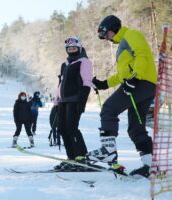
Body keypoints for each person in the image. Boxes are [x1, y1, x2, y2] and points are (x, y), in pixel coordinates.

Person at [82, 15, 157, 178]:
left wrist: (135, 78)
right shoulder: (123, 44)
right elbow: (123, 74)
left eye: (106, 35)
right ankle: (150, 166)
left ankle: (108, 150)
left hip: (141, 82)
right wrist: (104, 84)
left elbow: (142, 56)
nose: (107, 39)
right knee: (136, 128)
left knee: (109, 109)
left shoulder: (131, 35)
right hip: (144, 85)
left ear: (112, 28)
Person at [53, 36, 93, 171]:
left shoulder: (84, 62)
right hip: (63, 101)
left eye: (74, 48)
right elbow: (61, 83)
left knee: (72, 128)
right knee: (62, 129)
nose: (72, 50)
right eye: (69, 49)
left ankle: (81, 157)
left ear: (80, 48)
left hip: (75, 100)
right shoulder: (65, 64)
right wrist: (56, 103)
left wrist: (82, 101)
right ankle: (71, 157)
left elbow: (87, 82)